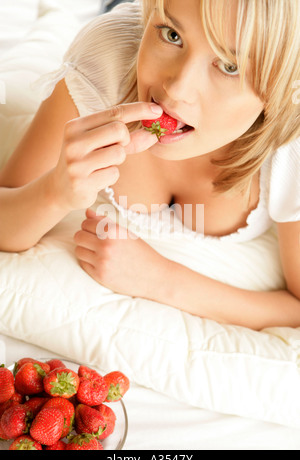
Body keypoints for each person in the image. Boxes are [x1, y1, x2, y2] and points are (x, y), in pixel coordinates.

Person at [0, 0, 299, 330]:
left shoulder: (292, 144)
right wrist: (56, 192)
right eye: (171, 35)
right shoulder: (107, 61)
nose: (175, 89)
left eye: (230, 66)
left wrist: (161, 279)